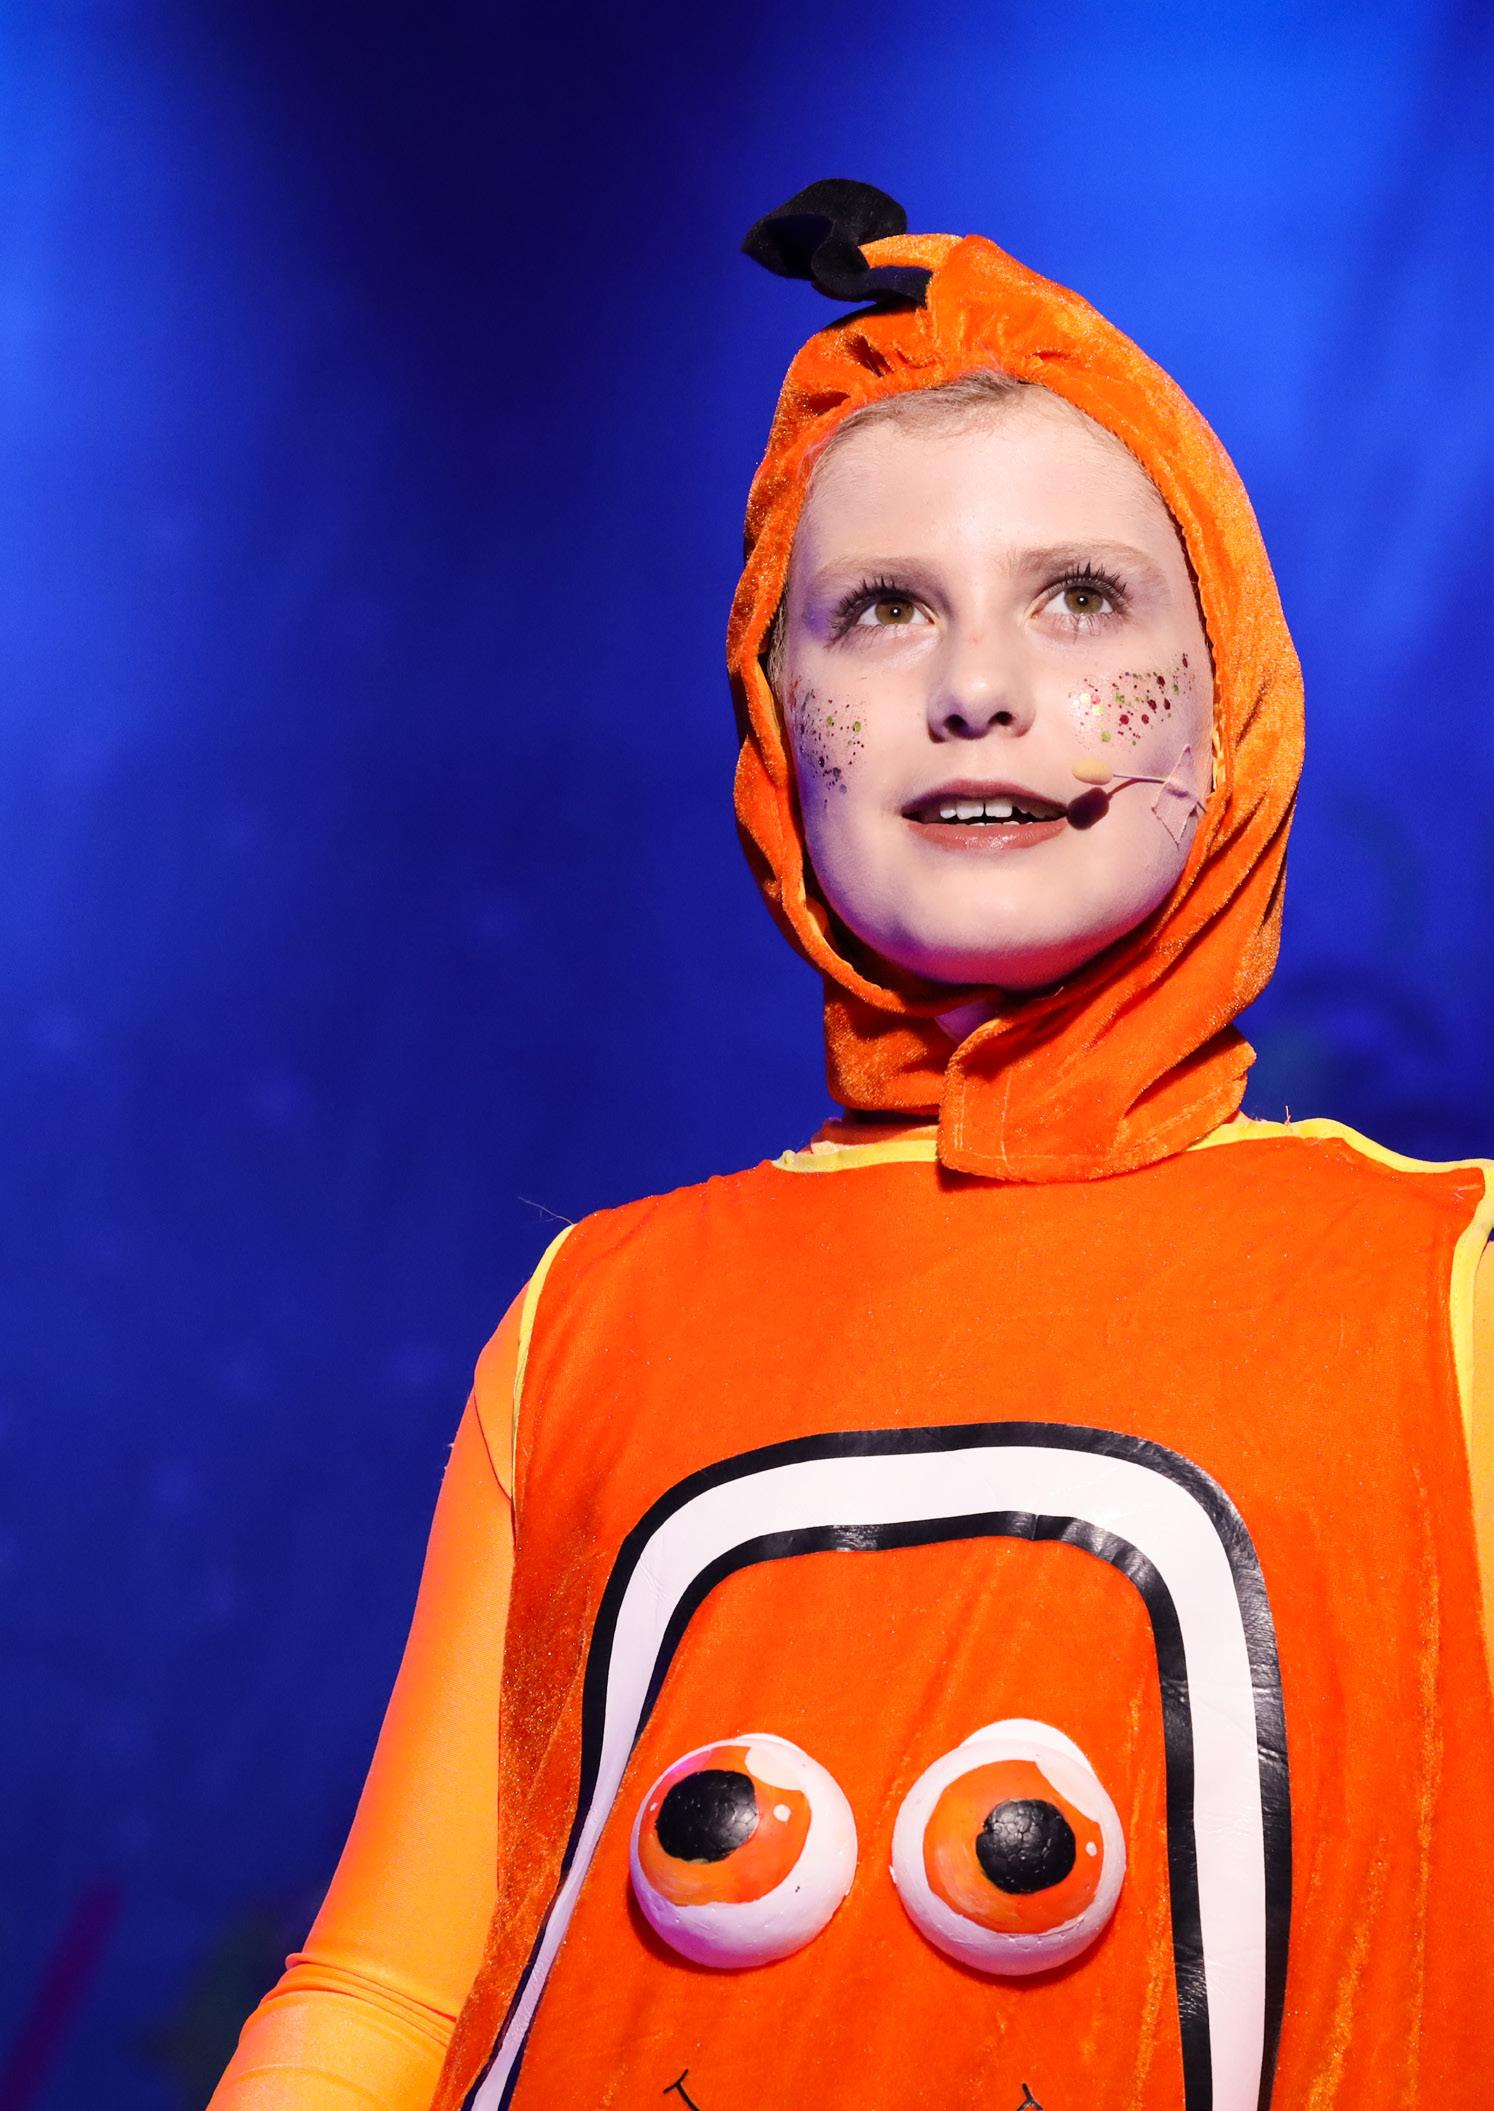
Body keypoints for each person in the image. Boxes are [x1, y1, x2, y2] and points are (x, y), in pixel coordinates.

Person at [210, 181, 1494, 2111]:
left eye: (1080, 598)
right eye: (881, 610)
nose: (975, 689)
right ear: (773, 716)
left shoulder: (1443, 1287)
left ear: (1229, 696)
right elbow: (391, 1996)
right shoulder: (594, 1312)